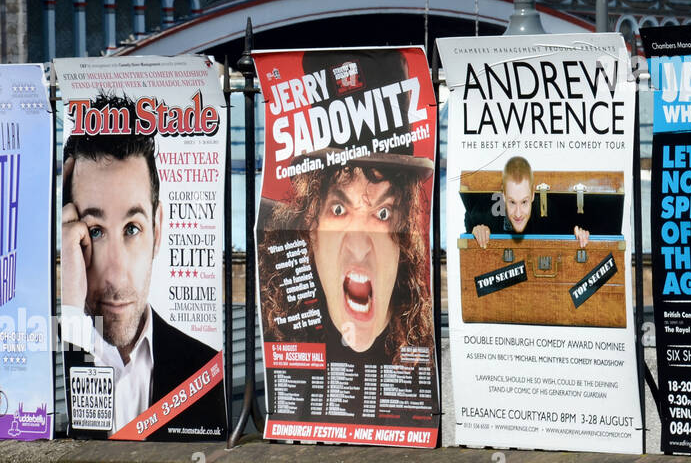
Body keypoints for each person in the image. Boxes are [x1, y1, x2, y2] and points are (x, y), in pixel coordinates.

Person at [61, 93, 226, 439]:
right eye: (95, 231)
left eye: (132, 229)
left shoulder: (206, 370)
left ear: (157, 229)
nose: (116, 273)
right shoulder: (45, 369)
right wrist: (71, 311)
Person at [258, 50, 436, 366]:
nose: (359, 246)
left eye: (382, 213)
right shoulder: (280, 322)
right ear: (311, 229)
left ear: (403, 240)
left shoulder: (421, 354)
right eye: (339, 210)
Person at [465, 155, 590, 249]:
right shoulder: (484, 214)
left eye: (524, 202)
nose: (518, 213)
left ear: (533, 195)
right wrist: (476, 230)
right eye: (512, 202)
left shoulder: (548, 212)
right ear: (503, 196)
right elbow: (470, 223)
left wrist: (578, 235)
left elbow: (567, 229)